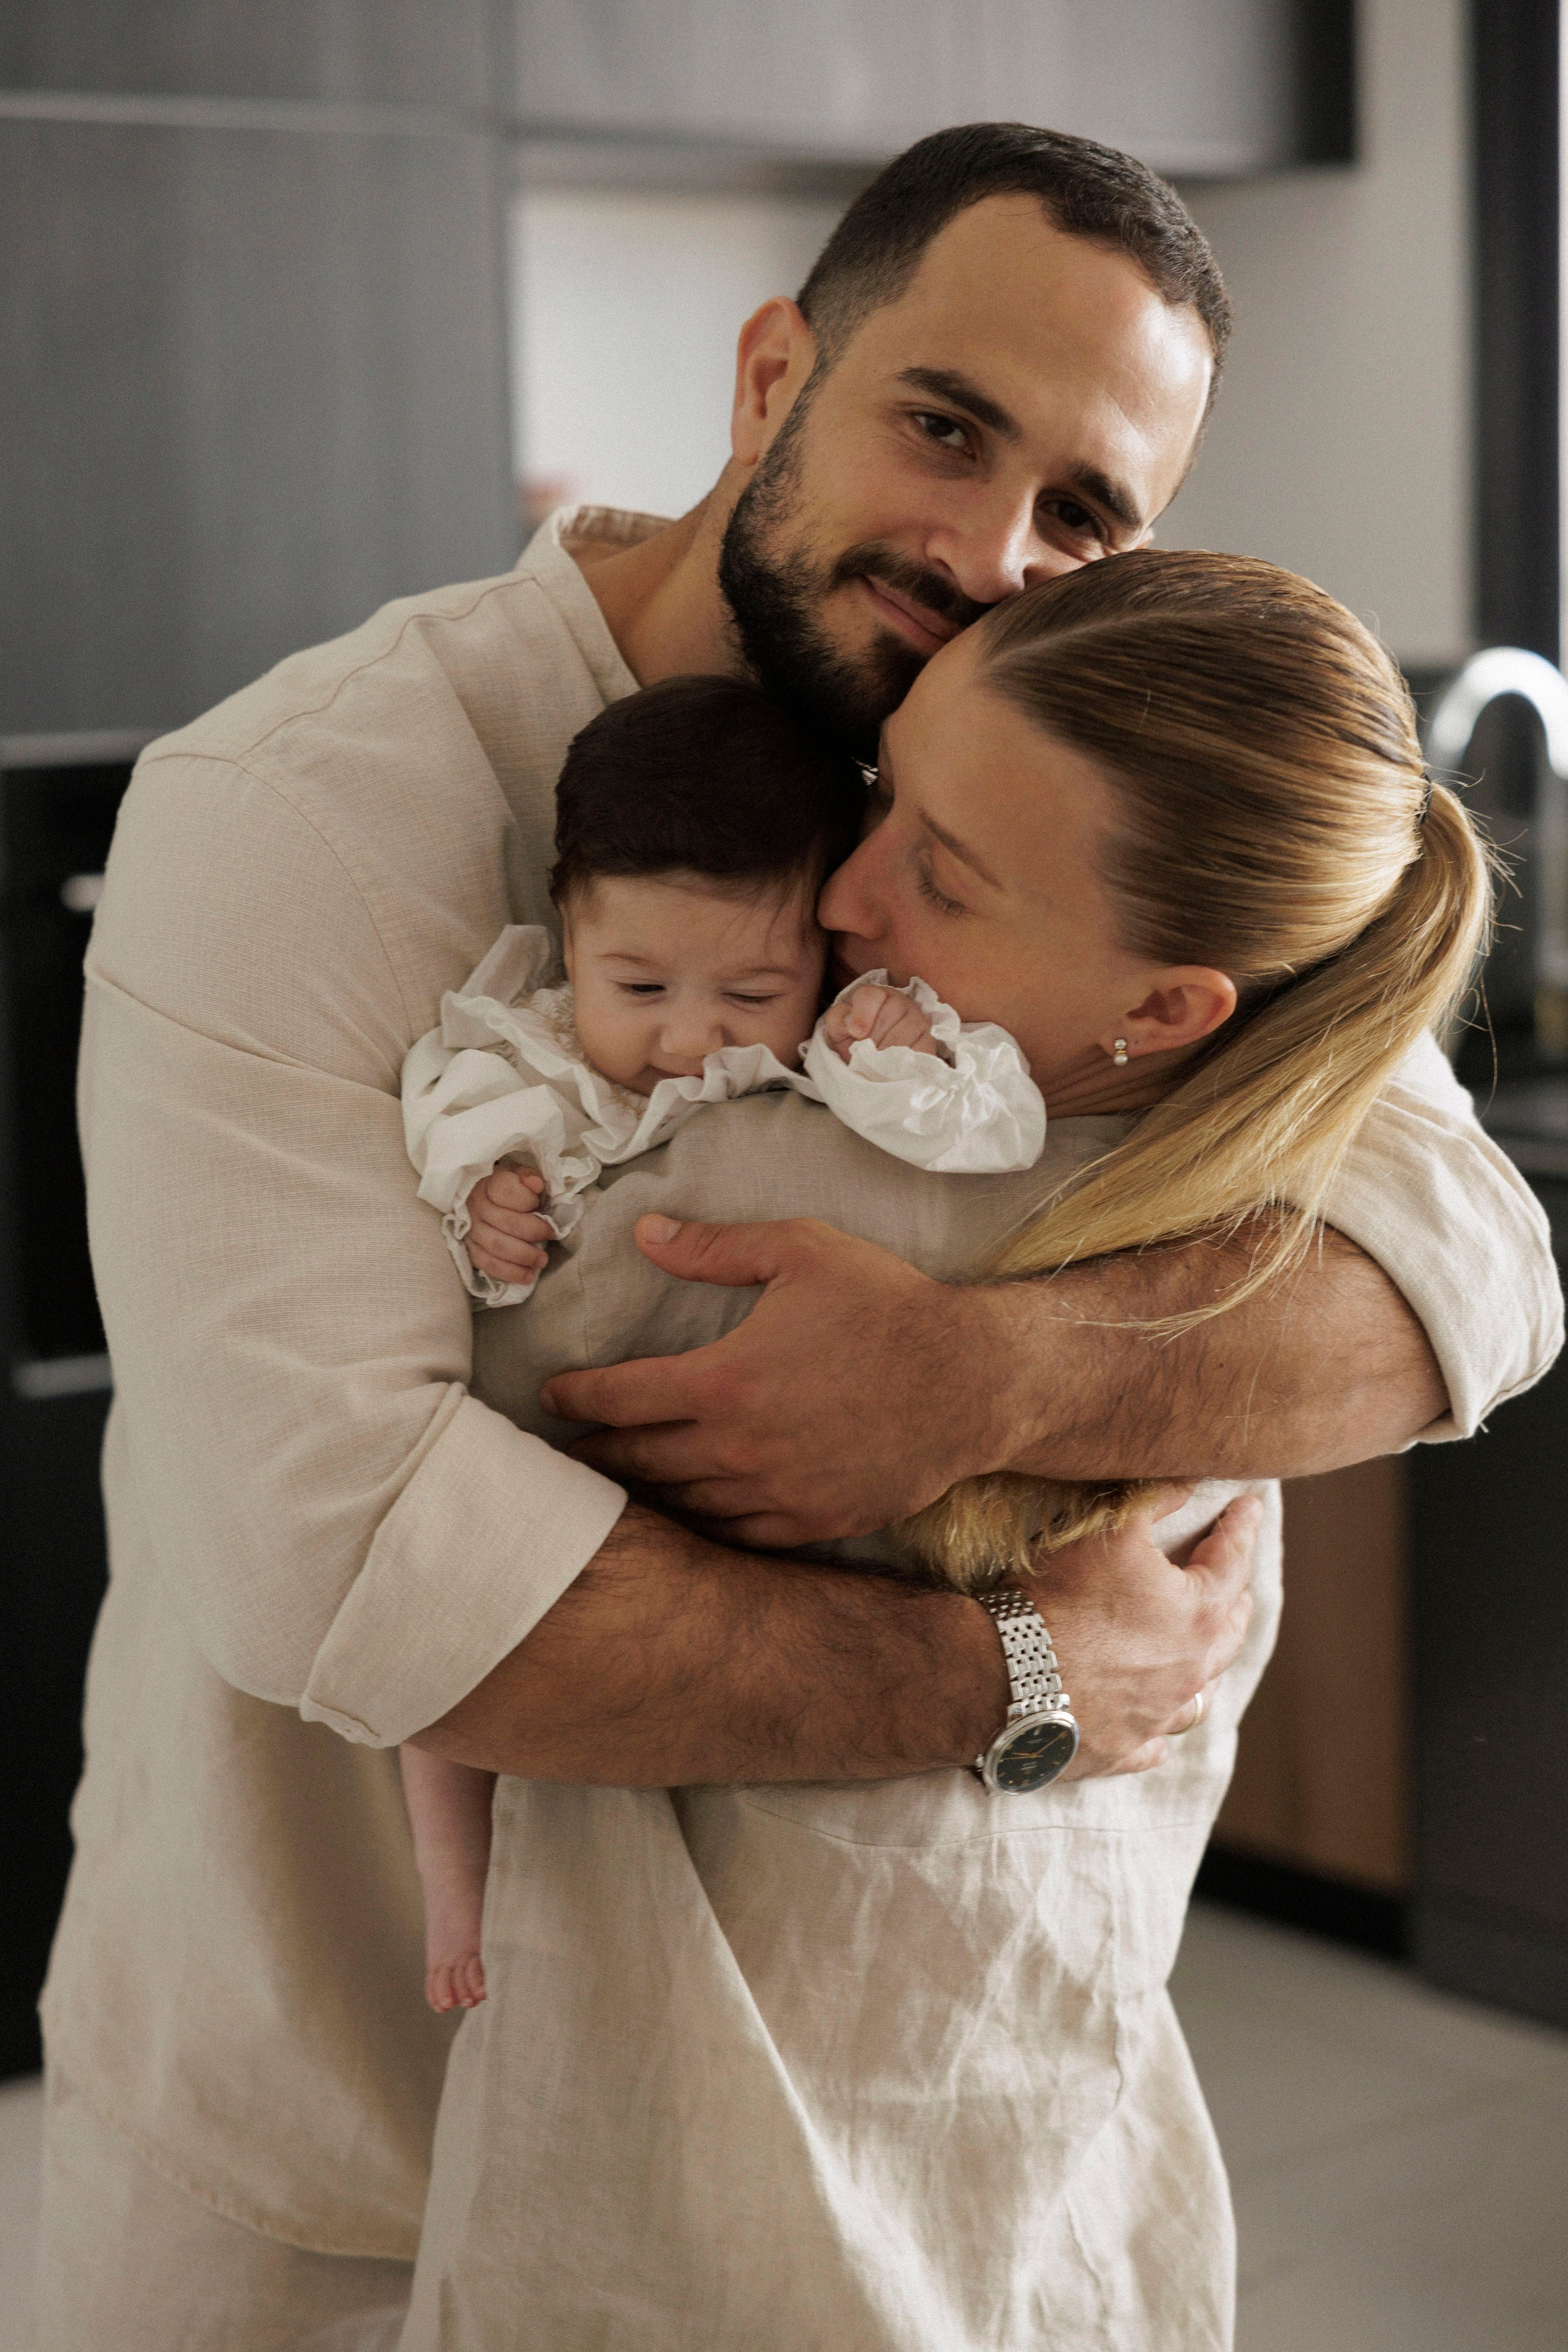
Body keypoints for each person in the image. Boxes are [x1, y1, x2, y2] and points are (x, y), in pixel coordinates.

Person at [34, 123, 1558, 2350]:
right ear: (774, 375)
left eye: (1087, 509)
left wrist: (995, 1378)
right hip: (346, 2150)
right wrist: (1024, 1673)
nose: (988, 549)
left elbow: (1471, 1268)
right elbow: (354, 1569)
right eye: (942, 425)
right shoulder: (301, 815)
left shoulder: (1044, 761)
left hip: (915, 2148)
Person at [399, 546, 1494, 2347]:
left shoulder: (775, 1184)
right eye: (886, 787)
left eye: (946, 871)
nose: (837, 887)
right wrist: (1035, 1643)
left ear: (1165, 1009)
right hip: (1048, 2114)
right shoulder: (1263, 1194)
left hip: (719, 2140)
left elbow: (413, 1550)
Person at [399, 673, 1041, 2010]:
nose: (686, 1036)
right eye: (635, 982)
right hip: (543, 1449)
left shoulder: (819, 1047)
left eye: (748, 987)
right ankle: (450, 1876)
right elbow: (446, 1124)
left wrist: (900, 1055)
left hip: (750, 1451)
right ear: (567, 928)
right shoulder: (524, 1040)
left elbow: (992, 1142)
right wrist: (485, 1200)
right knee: (435, 1659)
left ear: (818, 950)